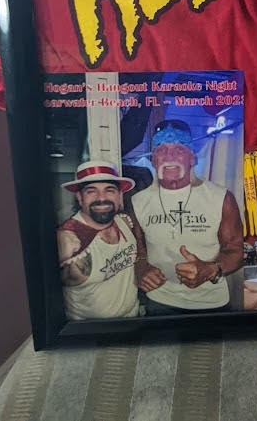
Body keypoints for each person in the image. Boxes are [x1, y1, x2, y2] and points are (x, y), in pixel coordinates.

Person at [130, 119, 243, 314]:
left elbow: (237, 250)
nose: (170, 156)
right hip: (159, 300)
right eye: (161, 150)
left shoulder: (221, 198)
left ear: (192, 158)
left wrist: (212, 269)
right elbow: (138, 247)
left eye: (179, 149)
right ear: (153, 160)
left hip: (211, 302)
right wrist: (140, 267)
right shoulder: (137, 201)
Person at [57, 161, 139, 321]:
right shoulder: (68, 240)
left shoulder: (123, 222)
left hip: (133, 318)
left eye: (110, 190)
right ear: (80, 197)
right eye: (91, 191)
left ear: (120, 196)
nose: (101, 198)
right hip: (90, 330)